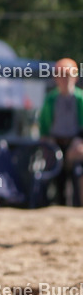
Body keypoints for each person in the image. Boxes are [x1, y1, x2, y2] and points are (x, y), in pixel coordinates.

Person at [38, 57, 83, 206]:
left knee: (78, 173)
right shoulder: (51, 99)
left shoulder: (80, 99)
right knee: (57, 179)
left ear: (75, 77)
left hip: (75, 144)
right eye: (61, 76)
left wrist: (78, 141)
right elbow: (44, 126)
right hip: (55, 144)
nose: (64, 80)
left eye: (68, 75)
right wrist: (47, 142)